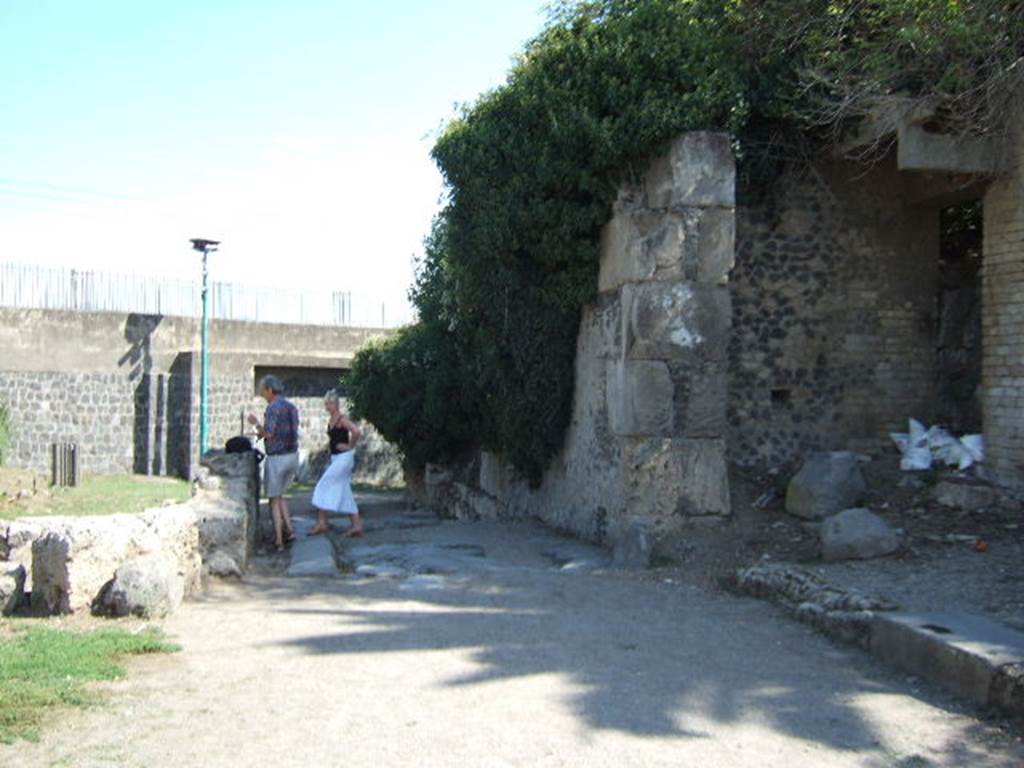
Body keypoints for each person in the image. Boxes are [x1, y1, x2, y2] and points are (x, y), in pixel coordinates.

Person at [247, 375, 300, 552]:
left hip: (277, 458)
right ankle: (290, 531)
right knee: (281, 495)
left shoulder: (273, 408)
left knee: (274, 500)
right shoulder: (291, 407)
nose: (262, 394)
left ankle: (278, 540)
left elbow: (268, 433)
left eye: (263, 390)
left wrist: (256, 425)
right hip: (292, 455)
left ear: (270, 389)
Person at [309, 388, 363, 538]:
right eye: (326, 404)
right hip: (336, 458)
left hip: (344, 458)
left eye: (330, 403)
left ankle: (322, 522)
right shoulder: (332, 420)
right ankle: (356, 525)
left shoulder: (341, 419)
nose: (328, 406)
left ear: (337, 403)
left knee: (323, 485)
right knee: (345, 491)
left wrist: (350, 446)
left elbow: (356, 431)